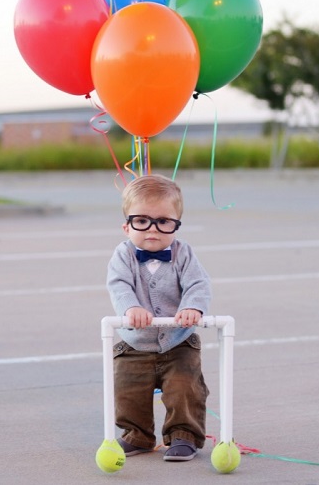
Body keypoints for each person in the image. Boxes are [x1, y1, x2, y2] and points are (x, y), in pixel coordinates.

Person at [106, 174, 212, 462]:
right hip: (135, 341)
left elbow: (198, 284)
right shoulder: (123, 254)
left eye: (164, 222)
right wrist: (130, 309)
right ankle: (137, 434)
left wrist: (192, 308)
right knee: (128, 390)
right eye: (142, 221)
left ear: (177, 223)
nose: (153, 229)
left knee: (184, 388)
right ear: (126, 226)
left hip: (177, 341)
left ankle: (183, 436)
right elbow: (118, 285)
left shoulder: (183, 253)